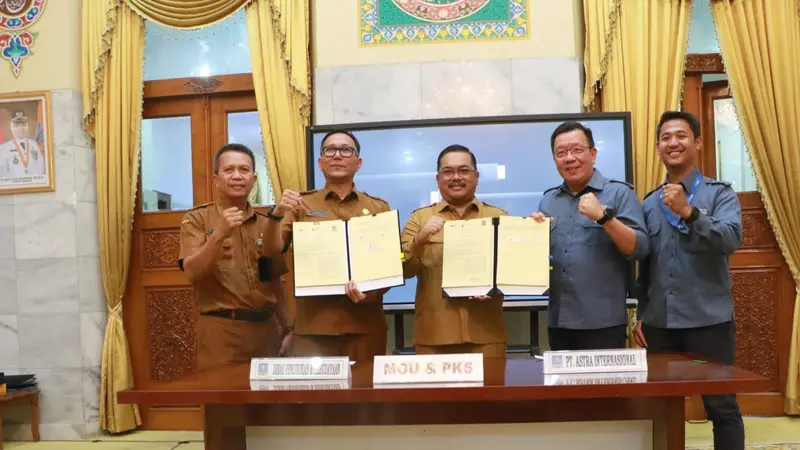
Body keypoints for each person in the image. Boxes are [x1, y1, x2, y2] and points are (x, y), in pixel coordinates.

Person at [634, 111, 744, 450]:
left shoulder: (719, 194)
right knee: (659, 408)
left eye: (681, 136)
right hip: (660, 323)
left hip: (709, 320)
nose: (673, 143)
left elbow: (730, 240)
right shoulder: (649, 202)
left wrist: (689, 212)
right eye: (666, 137)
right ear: (657, 148)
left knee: (721, 407)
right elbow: (645, 264)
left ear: (697, 142)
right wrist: (640, 312)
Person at [261, 130, 391, 360]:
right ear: (320, 162)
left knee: (367, 395)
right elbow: (271, 250)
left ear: (358, 163)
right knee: (316, 396)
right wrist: (276, 214)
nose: (337, 156)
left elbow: (389, 265)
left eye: (345, 150)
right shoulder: (300, 204)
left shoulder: (378, 207)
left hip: (365, 326)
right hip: (314, 329)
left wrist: (370, 294)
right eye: (330, 150)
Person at [531, 121, 648, 351]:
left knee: (603, 387)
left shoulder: (619, 193)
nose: (569, 158)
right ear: (555, 160)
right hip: (559, 321)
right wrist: (532, 236)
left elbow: (640, 248)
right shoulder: (548, 201)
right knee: (564, 387)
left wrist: (604, 218)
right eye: (561, 153)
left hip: (603, 324)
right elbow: (542, 262)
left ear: (593, 154)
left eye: (577, 150)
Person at [178, 143, 294, 370]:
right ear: (216, 179)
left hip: (266, 332)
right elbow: (192, 273)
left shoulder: (266, 223)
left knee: (270, 404)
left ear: (254, 179)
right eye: (229, 170)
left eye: (244, 170)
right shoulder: (197, 219)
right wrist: (218, 235)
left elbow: (274, 281)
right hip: (222, 332)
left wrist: (288, 329)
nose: (237, 176)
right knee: (223, 404)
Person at [401, 145, 508, 357]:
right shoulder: (418, 219)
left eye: (464, 170)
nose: (456, 177)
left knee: (490, 392)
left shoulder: (499, 218)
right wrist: (420, 240)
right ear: (438, 178)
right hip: (434, 338)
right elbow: (403, 269)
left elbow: (512, 270)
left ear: (476, 176)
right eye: (448, 171)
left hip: (486, 337)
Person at [0, 110, 46, 178]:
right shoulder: (4, 148)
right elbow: (2, 173)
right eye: (17, 125)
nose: (21, 128)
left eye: (23, 124)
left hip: (33, 184)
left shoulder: (34, 144)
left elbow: (41, 166)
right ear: (11, 127)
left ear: (27, 126)